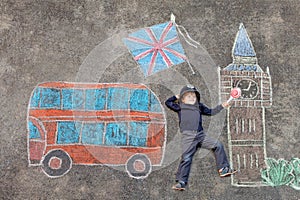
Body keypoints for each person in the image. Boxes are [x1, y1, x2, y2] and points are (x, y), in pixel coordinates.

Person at [165, 84, 236, 191]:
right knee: (187, 158)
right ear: (182, 99)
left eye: (193, 96)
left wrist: (222, 105)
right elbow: (168, 103)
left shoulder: (199, 106)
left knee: (218, 145)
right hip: (188, 136)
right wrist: (176, 97)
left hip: (200, 135)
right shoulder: (180, 107)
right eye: (188, 96)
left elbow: (211, 111)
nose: (192, 97)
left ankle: (223, 169)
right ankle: (181, 182)